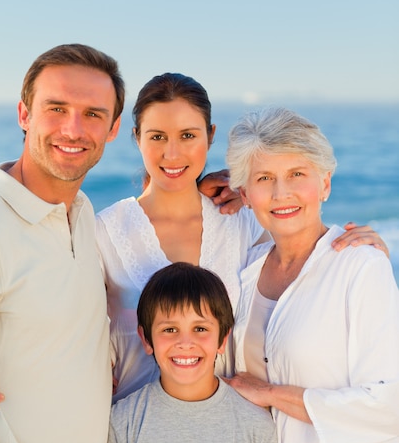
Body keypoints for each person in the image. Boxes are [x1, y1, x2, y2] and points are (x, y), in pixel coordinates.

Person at [96, 72, 388, 402]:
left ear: (210, 136)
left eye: (188, 135)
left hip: (234, 434)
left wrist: (360, 255)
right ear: (137, 138)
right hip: (138, 433)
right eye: (158, 137)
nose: (173, 153)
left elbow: (301, 256)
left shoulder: (241, 221)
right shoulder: (104, 232)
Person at [225, 106, 399, 443]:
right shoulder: (245, 271)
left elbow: (391, 403)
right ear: (246, 195)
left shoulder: (360, 266)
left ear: (324, 184)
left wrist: (271, 394)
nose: (281, 193)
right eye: (265, 178)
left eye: (297, 175)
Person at [0, 44, 124, 443]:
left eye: (93, 114)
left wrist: (225, 189)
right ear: (25, 113)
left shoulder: (84, 216)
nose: (73, 129)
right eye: (56, 108)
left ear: (114, 128)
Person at [102, 262, 279, 443]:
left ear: (223, 339)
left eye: (200, 329)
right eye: (170, 329)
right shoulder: (122, 422)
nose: (185, 343)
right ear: (146, 339)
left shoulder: (255, 425)